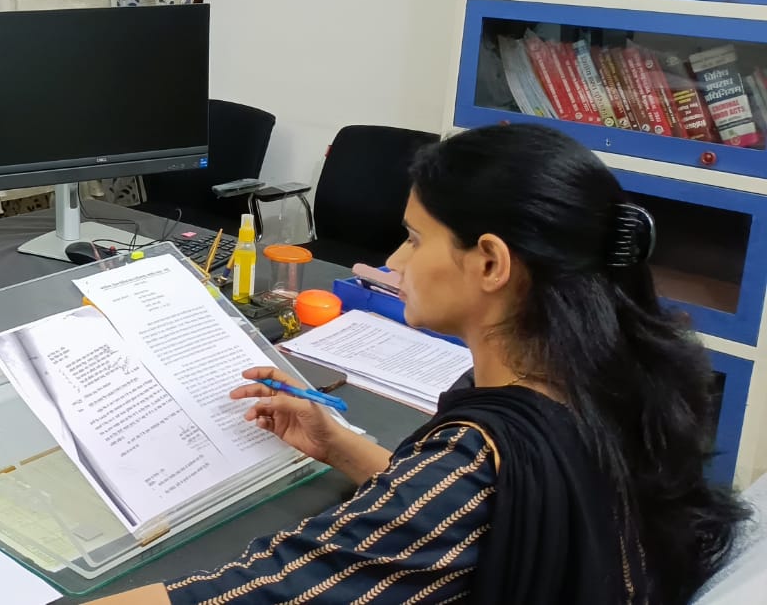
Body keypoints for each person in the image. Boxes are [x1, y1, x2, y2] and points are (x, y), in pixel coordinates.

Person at [95, 124, 745, 605]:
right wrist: (340, 446)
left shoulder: (473, 466)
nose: (394, 262)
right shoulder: (610, 378)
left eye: (413, 238)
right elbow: (469, 520)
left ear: (490, 263)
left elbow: (254, 593)